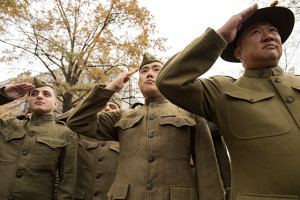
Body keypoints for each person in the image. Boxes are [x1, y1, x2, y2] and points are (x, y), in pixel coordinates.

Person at [156, 2, 300, 200]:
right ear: (238, 52)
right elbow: (169, 80)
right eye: (256, 32)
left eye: (273, 30)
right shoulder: (222, 91)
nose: (269, 36)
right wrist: (220, 36)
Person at [66, 53, 225, 200]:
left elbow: (207, 170)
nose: (150, 73)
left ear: (166, 77)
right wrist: (111, 88)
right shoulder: (122, 116)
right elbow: (77, 121)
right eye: (144, 71)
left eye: (157, 70)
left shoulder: (190, 114)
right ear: (138, 82)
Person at [0, 78, 77, 200]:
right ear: (29, 101)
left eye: (46, 94)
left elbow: (67, 181)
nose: (39, 96)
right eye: (34, 94)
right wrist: (4, 94)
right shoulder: (8, 126)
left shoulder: (66, 134)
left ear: (56, 104)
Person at [57, 94, 122, 200]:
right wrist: (87, 108)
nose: (107, 108)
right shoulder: (79, 132)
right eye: (103, 106)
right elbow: (56, 121)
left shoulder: (123, 136)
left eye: (112, 107)